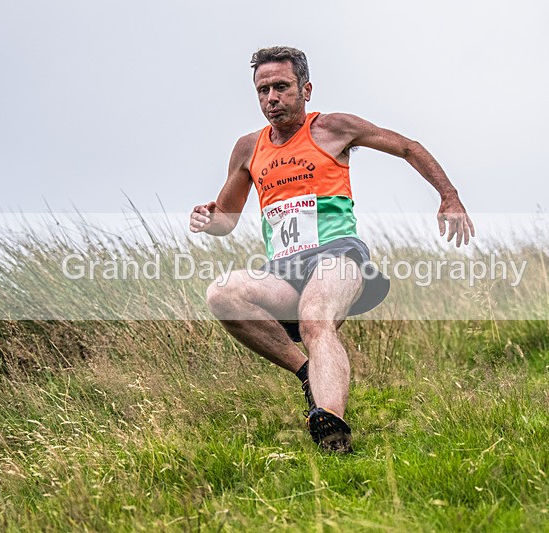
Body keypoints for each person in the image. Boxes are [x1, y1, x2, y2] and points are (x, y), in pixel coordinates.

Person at [190, 46, 474, 453]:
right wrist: (207, 219)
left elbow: (408, 146)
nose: (272, 98)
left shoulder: (333, 128)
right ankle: (307, 373)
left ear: (305, 89)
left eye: (282, 87)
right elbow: (227, 219)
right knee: (221, 294)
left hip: (338, 258)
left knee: (315, 318)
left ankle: (334, 433)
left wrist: (450, 196)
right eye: (263, 89)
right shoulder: (247, 149)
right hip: (283, 273)